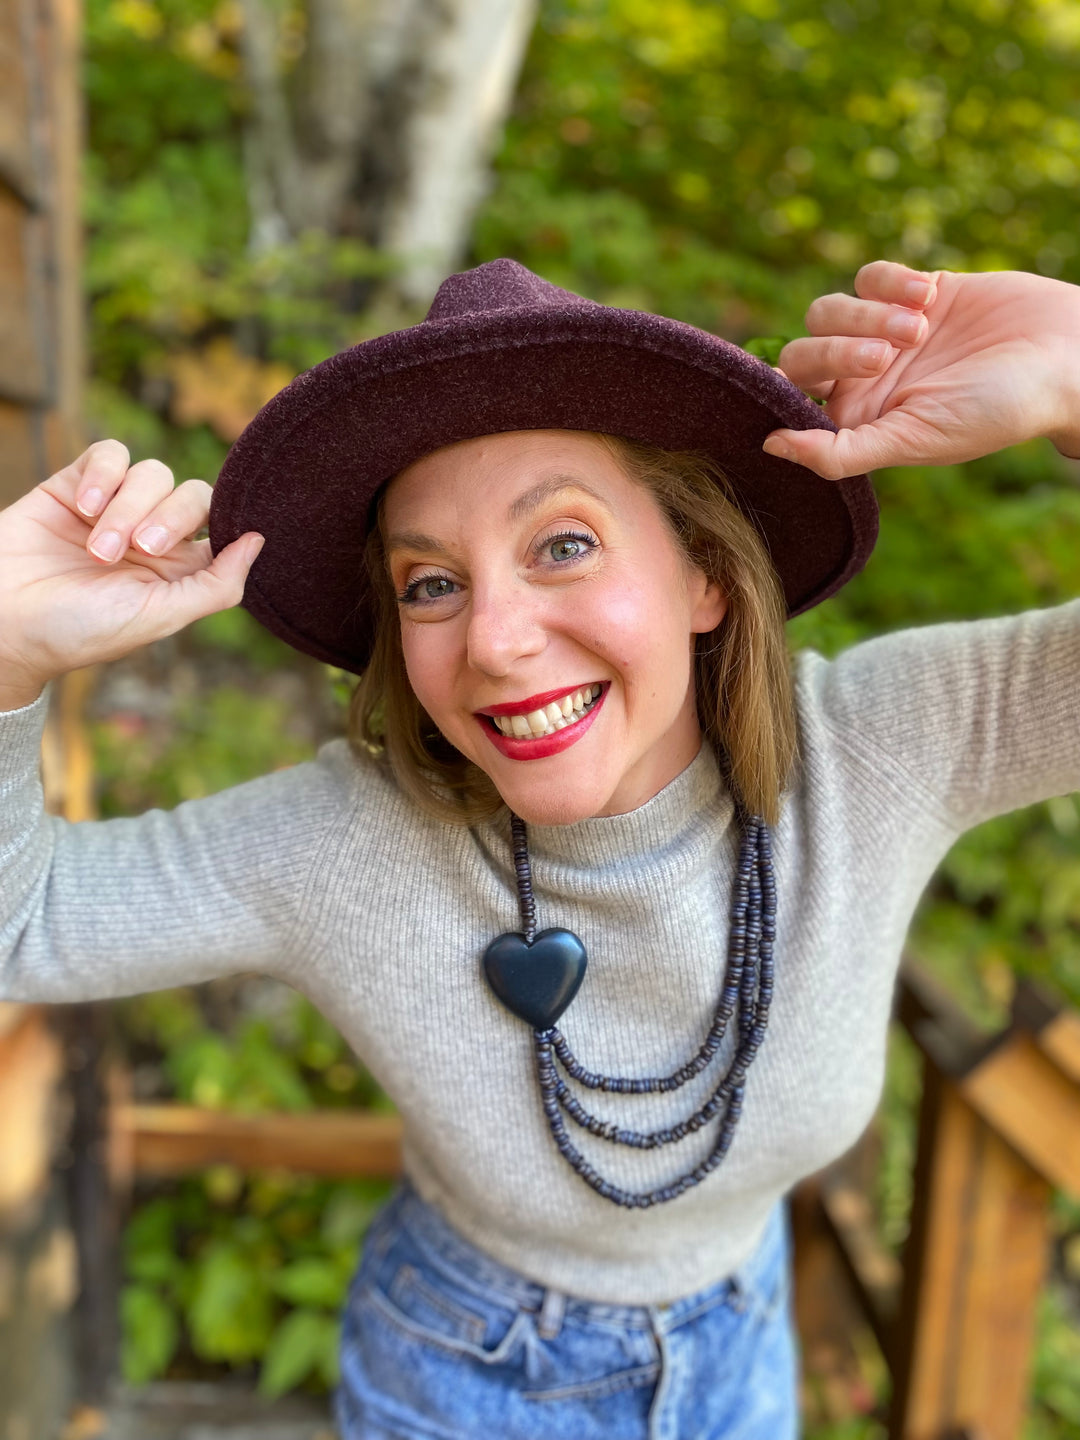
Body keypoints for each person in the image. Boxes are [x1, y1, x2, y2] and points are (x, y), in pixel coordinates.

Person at [1, 258, 1077, 1439]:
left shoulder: (880, 750)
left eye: (562, 545)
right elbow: (24, 926)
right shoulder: (349, 840)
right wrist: (5, 662)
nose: (498, 643)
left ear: (706, 574)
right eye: (432, 583)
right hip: (459, 1374)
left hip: (747, 1353)